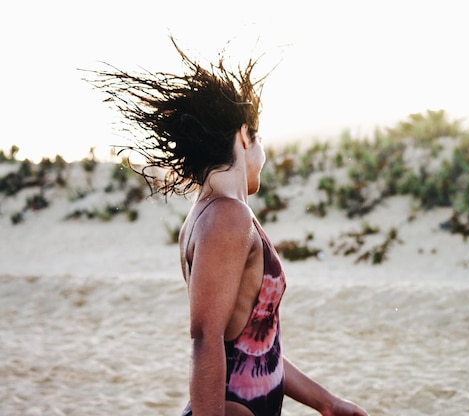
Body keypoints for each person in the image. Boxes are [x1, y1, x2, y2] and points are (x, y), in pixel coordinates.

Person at [90, 36, 369, 416]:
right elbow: (206, 340)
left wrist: (328, 403)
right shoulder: (226, 217)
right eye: (261, 141)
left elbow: (257, 351)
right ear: (243, 135)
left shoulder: (213, 214)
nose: (264, 157)